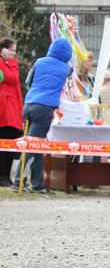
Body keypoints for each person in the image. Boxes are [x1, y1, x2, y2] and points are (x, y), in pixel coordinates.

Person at [13, 38, 72, 193]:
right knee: (32, 147)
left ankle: (37, 183)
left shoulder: (39, 62)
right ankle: (19, 182)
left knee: (37, 146)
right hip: (44, 108)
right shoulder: (67, 68)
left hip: (29, 104)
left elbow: (28, 81)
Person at [0, 38, 24, 186]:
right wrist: (12, 63)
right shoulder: (3, 64)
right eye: (12, 50)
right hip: (4, 110)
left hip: (13, 110)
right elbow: (12, 78)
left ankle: (7, 175)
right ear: (4, 50)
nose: (14, 53)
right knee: (4, 145)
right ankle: (2, 175)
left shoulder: (9, 64)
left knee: (11, 145)